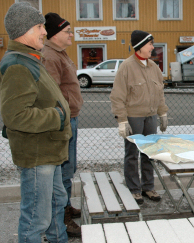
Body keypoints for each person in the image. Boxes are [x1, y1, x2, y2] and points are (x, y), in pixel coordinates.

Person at [0, 3, 71, 242]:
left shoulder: (29, 58)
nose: (44, 32)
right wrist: (59, 117)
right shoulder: (19, 64)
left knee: (55, 204)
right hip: (38, 154)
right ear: (25, 30)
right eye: (40, 26)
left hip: (46, 152)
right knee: (36, 219)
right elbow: (15, 115)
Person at [110, 30, 168, 205]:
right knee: (132, 154)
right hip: (133, 118)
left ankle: (148, 187)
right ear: (140, 46)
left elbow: (160, 93)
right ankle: (134, 189)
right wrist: (122, 120)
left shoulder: (154, 67)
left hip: (150, 117)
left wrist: (162, 112)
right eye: (150, 44)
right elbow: (117, 96)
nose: (152, 47)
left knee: (149, 153)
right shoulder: (127, 67)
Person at [42, 12, 84, 238]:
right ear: (55, 33)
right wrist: (65, 114)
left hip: (71, 118)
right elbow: (53, 93)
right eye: (67, 31)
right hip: (63, 121)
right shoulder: (50, 56)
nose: (71, 34)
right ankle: (62, 219)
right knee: (64, 171)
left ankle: (65, 207)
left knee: (69, 168)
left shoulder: (60, 53)